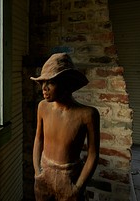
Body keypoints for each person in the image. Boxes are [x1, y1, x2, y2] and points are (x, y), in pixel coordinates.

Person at [30, 53, 100, 201]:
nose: (44, 88)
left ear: (66, 83)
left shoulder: (87, 114)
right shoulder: (42, 107)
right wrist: (37, 173)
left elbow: (93, 154)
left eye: (51, 82)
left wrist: (78, 187)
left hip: (70, 177)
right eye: (43, 82)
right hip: (44, 175)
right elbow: (38, 139)